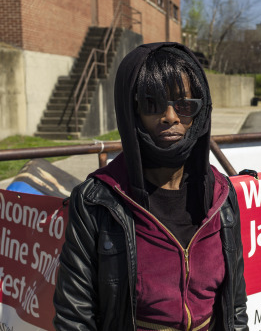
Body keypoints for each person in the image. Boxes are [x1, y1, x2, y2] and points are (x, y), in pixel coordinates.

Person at [53, 43, 248, 331]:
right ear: (132, 111)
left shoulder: (223, 197)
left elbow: (236, 308)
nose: (170, 117)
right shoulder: (97, 202)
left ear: (200, 111)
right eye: (152, 104)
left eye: (184, 105)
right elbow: (74, 317)